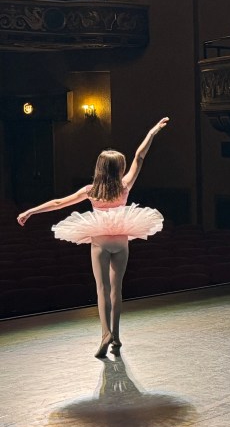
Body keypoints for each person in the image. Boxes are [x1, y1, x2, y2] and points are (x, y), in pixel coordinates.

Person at [17, 118, 169, 357]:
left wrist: (31, 211)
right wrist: (152, 131)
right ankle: (117, 338)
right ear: (118, 169)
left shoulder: (90, 191)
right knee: (116, 290)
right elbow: (140, 157)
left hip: (100, 239)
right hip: (121, 239)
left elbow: (59, 203)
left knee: (102, 288)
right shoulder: (125, 186)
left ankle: (105, 333)